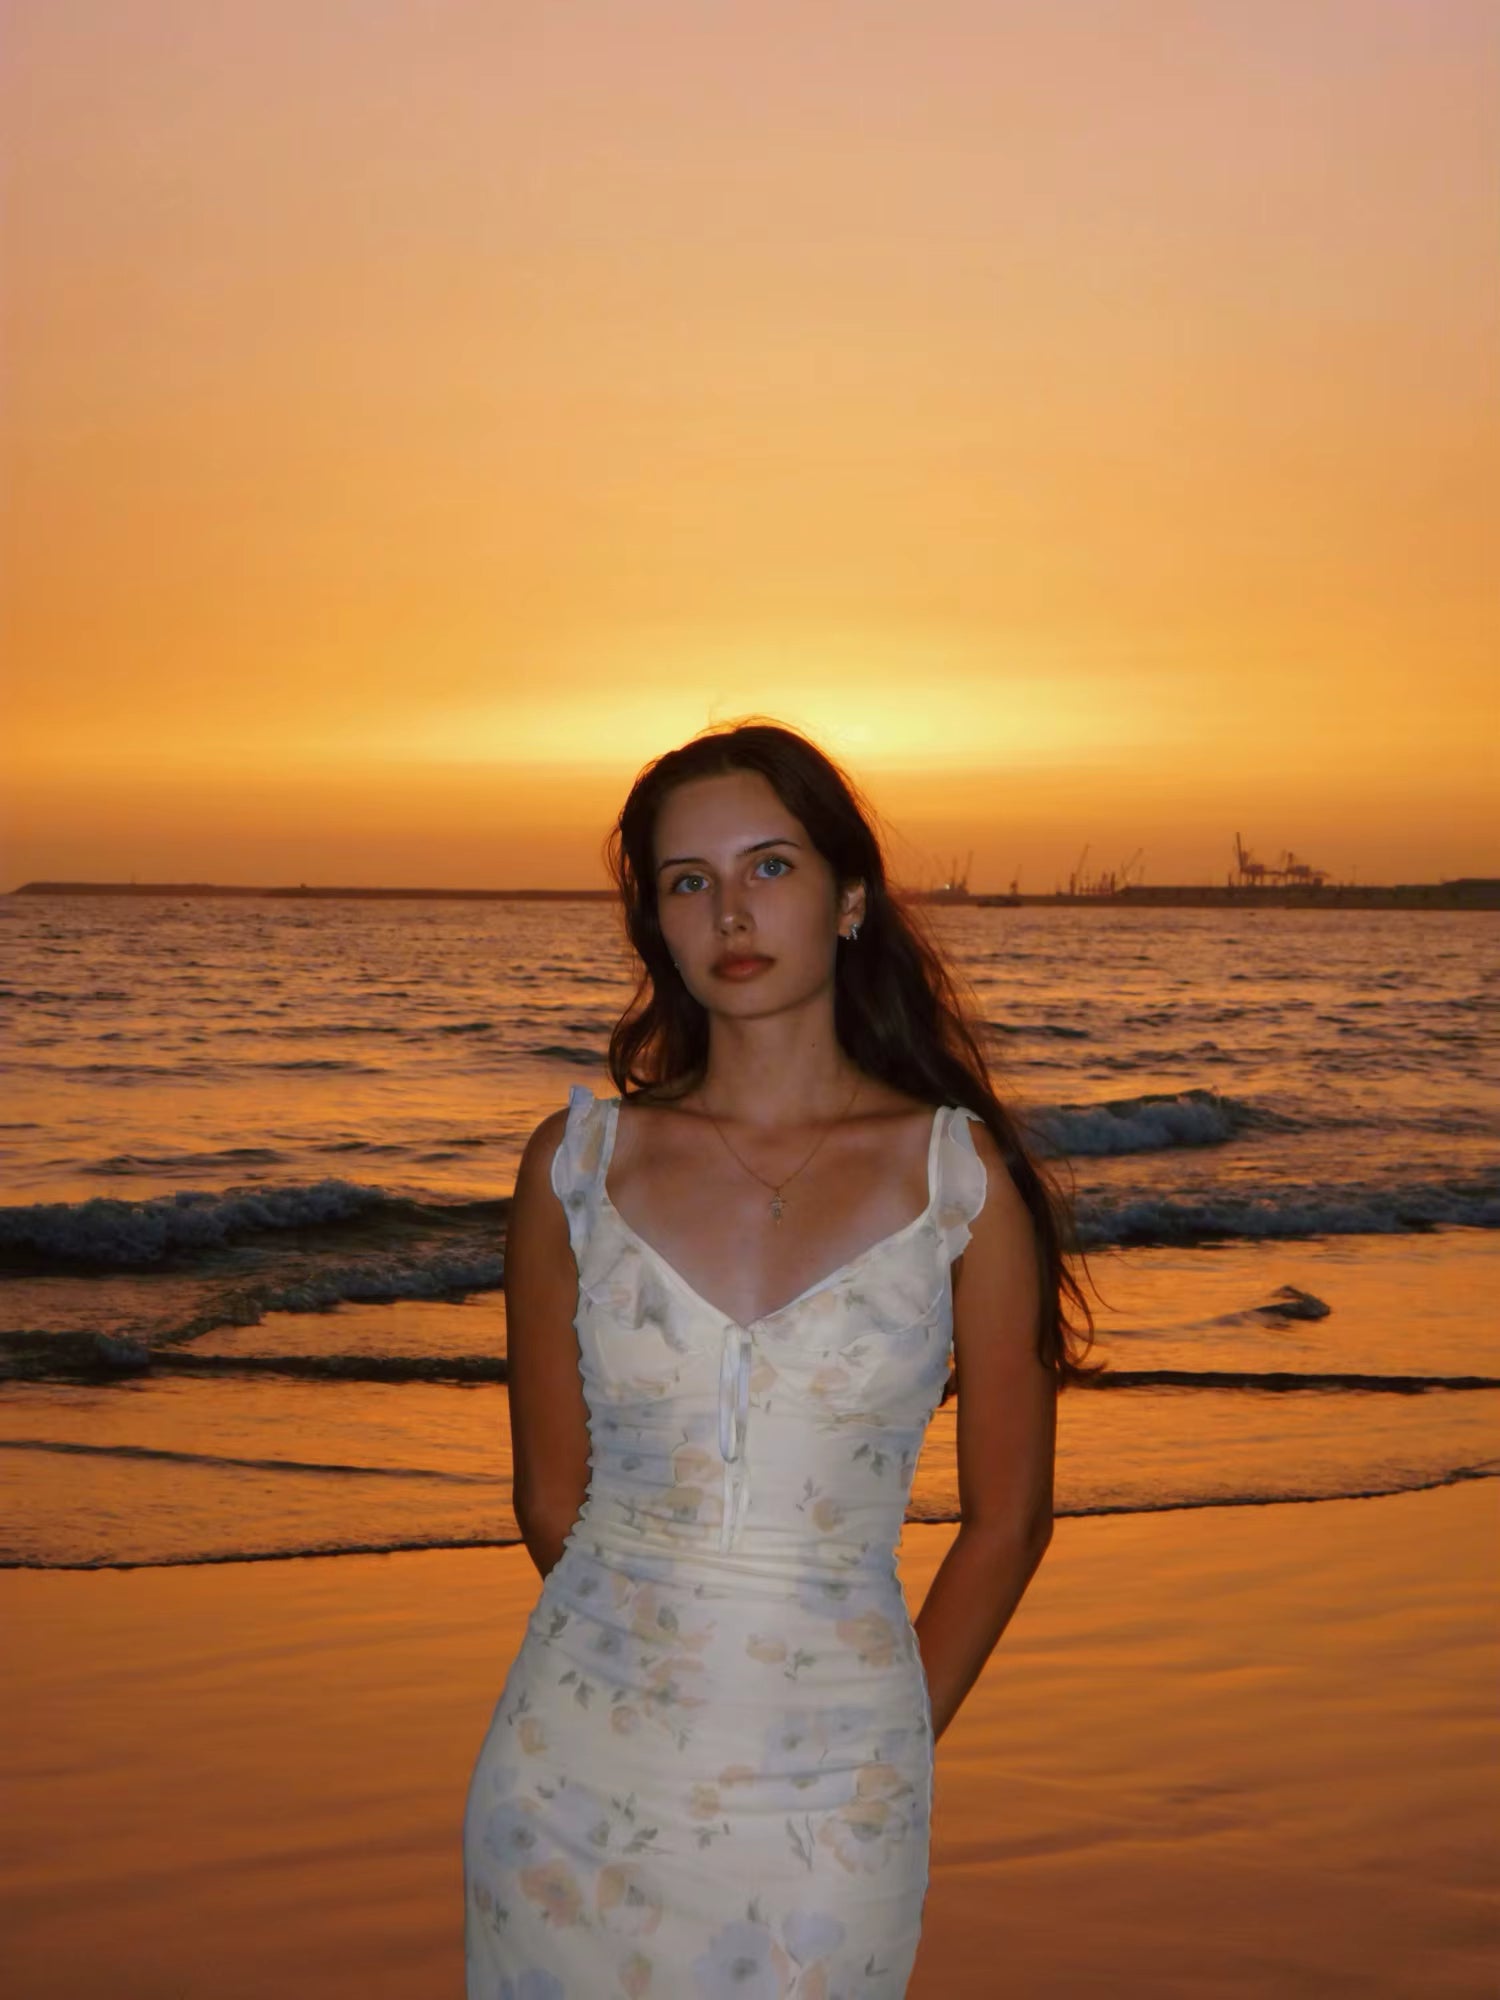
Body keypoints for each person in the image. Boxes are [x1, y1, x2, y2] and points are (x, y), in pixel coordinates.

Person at [464, 719, 1099, 1998]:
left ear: (849, 895)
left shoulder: (957, 1178)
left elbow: (1010, 1519)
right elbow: (548, 1497)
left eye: (770, 867)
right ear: (657, 923)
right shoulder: (575, 1165)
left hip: (837, 1787)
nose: (730, 913)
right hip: (572, 1769)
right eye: (688, 882)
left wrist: (888, 1742)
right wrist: (672, 1664)